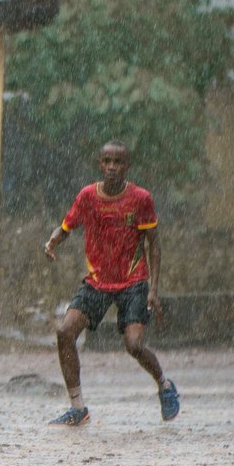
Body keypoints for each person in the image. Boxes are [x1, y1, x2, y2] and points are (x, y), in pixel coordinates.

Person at [42, 140, 179, 426]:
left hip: (133, 281)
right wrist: (54, 239)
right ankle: (78, 408)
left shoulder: (140, 198)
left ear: (127, 166)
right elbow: (66, 226)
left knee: (134, 345)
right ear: (99, 164)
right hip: (97, 282)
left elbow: (154, 243)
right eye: (107, 161)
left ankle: (164, 385)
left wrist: (153, 289)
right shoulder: (88, 196)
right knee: (65, 332)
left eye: (118, 162)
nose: (113, 167)